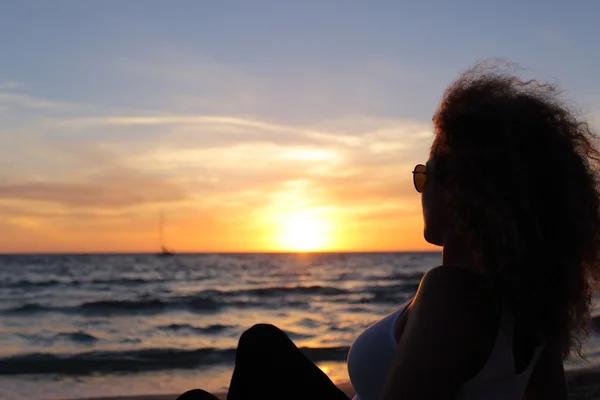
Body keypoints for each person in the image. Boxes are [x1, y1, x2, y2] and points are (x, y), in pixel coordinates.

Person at [177, 62, 600, 400]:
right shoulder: (531, 307)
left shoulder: (452, 293)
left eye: (424, 173)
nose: (420, 188)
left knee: (249, 354)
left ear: (461, 188)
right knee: (263, 346)